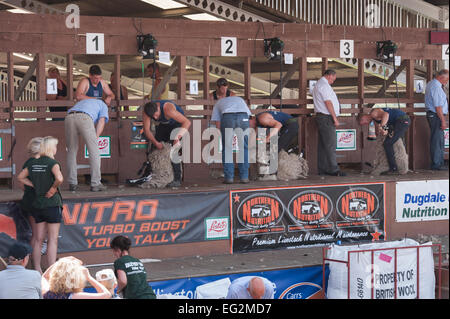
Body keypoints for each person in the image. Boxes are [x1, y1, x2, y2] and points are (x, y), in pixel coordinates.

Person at [17, 136, 63, 274]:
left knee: (38, 238)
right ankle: (51, 271)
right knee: (52, 239)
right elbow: (59, 178)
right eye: (55, 146)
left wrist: (35, 186)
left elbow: (20, 179)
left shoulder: (31, 163)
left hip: (36, 204)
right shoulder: (52, 163)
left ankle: (36, 267)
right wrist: (53, 188)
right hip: (49, 203)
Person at [142, 100, 191, 187]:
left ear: (158, 108)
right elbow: (146, 130)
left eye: (156, 115)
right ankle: (151, 174)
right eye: (153, 117)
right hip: (164, 124)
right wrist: (156, 143)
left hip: (178, 124)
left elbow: (187, 122)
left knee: (174, 149)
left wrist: (177, 138)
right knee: (154, 148)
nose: (155, 118)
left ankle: (177, 179)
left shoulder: (168, 109)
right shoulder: (147, 112)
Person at [65, 99, 109, 192]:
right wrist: (96, 137)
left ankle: (72, 183)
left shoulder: (84, 101)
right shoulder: (103, 105)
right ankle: (96, 183)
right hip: (85, 117)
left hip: (69, 117)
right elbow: (101, 122)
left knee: (71, 151)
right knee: (94, 151)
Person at [312, 69, 346, 176]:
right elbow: (328, 103)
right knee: (330, 143)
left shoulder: (321, 84)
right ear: (330, 76)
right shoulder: (324, 85)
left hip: (323, 117)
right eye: (333, 79)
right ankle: (333, 169)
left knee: (324, 144)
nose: (333, 81)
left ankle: (323, 168)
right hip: (326, 117)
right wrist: (335, 118)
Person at [211, 96, 252, 184]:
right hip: (243, 117)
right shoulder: (240, 99)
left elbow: (217, 122)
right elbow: (248, 116)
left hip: (228, 117)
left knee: (227, 148)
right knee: (244, 147)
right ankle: (244, 177)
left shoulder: (218, 103)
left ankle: (229, 178)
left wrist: (221, 135)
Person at [359, 107, 411, 175]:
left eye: (363, 122)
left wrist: (383, 127)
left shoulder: (373, 113)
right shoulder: (375, 119)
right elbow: (380, 128)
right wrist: (381, 131)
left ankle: (393, 168)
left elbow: (386, 114)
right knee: (389, 142)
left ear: (364, 117)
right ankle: (394, 166)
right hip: (397, 123)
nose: (365, 124)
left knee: (388, 144)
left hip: (402, 120)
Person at [18, 137, 43, 266]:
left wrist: (29, 189)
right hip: (36, 203)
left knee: (37, 236)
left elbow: (21, 183)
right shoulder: (40, 163)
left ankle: (33, 264)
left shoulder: (28, 162)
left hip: (30, 201)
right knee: (38, 237)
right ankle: (36, 266)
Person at [41, 256, 111, 299]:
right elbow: (106, 295)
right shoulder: (75, 296)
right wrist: (89, 277)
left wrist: (61, 263)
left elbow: (44, 276)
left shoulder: (46, 293)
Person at [425, 69, 449, 171]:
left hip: (434, 115)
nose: (447, 81)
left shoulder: (432, 84)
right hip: (436, 115)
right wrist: (443, 121)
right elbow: (438, 106)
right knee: (437, 140)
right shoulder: (436, 87)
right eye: (447, 79)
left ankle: (439, 162)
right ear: (441, 77)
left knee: (438, 139)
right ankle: (436, 164)